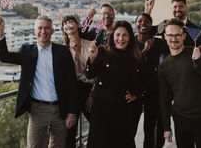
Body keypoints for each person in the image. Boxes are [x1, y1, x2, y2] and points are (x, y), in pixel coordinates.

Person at [0, 14, 78, 148]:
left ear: (52, 31)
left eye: (46, 28)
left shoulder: (63, 51)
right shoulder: (27, 51)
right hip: (37, 110)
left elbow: (72, 83)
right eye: (40, 28)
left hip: (61, 110)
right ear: (34, 31)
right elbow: (4, 56)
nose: (43, 32)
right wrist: (0, 32)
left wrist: (72, 111)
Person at [159, 19, 201, 148]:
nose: (174, 39)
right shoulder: (164, 65)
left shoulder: (197, 52)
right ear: (165, 36)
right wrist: (166, 127)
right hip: (180, 119)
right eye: (170, 35)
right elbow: (164, 98)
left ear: (184, 36)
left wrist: (198, 62)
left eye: (177, 35)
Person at [85, 20, 142, 148]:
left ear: (130, 37)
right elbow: (89, 75)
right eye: (117, 35)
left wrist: (136, 95)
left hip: (122, 110)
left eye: (124, 35)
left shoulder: (134, 57)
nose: (120, 39)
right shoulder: (102, 51)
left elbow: (140, 82)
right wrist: (92, 59)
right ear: (112, 36)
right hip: (101, 108)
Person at [135, 13, 168, 148]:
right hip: (135, 90)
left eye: (147, 21)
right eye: (140, 21)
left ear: (151, 25)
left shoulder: (159, 43)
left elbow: (176, 49)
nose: (143, 24)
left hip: (154, 89)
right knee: (132, 124)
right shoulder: (130, 42)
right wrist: (144, 51)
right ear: (135, 24)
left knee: (153, 126)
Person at [61, 15, 94, 148]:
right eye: (66, 23)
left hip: (89, 88)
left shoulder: (89, 44)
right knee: (70, 130)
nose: (69, 24)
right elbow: (66, 75)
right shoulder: (63, 50)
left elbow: (96, 72)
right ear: (64, 29)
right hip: (73, 92)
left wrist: (92, 94)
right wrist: (74, 53)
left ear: (77, 25)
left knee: (98, 124)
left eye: (71, 22)